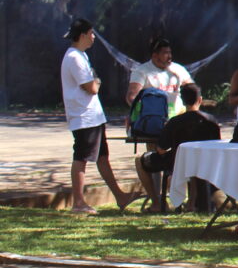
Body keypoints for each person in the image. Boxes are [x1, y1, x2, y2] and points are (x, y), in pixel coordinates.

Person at [60, 18, 137, 213]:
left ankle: (120, 196)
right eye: (91, 33)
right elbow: (92, 87)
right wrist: (98, 81)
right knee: (81, 157)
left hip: (93, 116)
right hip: (84, 117)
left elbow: (92, 83)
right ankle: (78, 203)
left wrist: (95, 80)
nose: (93, 37)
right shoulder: (74, 58)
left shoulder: (81, 55)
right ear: (83, 35)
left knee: (102, 157)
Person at [135, 82, 221, 212]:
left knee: (139, 161)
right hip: (204, 162)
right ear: (200, 100)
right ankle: (191, 203)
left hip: (177, 163)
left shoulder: (175, 121)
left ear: (182, 101)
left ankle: (156, 203)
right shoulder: (211, 120)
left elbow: (161, 149)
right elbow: (217, 145)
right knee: (194, 163)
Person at [126, 37, 194, 119]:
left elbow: (193, 89)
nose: (170, 56)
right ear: (155, 56)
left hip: (178, 118)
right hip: (152, 118)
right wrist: (144, 112)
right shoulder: (141, 71)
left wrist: (192, 111)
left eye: (170, 52)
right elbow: (131, 97)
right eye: (165, 53)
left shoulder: (178, 69)